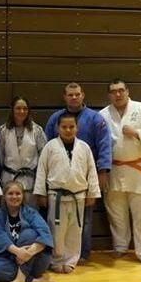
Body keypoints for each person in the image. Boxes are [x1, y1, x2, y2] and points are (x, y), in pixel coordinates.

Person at [45, 82, 111, 263]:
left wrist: (103, 171)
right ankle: (59, 257)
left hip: (85, 177)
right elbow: (49, 150)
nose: (74, 97)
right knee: (58, 224)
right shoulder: (55, 119)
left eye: (77, 94)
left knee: (84, 221)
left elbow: (105, 145)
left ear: (82, 95)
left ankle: (81, 254)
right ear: (64, 97)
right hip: (58, 181)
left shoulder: (95, 118)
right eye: (70, 95)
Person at [100, 79, 141, 268]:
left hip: (138, 169)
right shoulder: (102, 115)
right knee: (116, 212)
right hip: (114, 169)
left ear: (127, 91)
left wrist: (136, 133)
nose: (117, 94)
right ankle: (120, 246)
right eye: (113, 91)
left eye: (121, 90)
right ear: (109, 95)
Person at [34, 113, 101, 273]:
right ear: (58, 128)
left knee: (75, 230)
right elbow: (42, 171)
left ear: (77, 128)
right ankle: (56, 260)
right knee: (56, 230)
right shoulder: (50, 146)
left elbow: (91, 171)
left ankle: (71, 260)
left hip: (78, 195)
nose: (68, 130)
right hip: (56, 196)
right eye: (64, 127)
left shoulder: (84, 147)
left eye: (71, 127)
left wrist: (92, 192)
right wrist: (40, 193)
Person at [0, 181, 56, 282]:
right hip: (10, 259)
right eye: (10, 193)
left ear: (23, 196)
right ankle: (32, 281)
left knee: (29, 234)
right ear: (4, 196)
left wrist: (30, 252)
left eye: (18, 193)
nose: (14, 196)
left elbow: (45, 232)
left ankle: (20, 280)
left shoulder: (31, 213)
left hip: (34, 260)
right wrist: (18, 252)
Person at [0, 96, 47, 208]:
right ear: (12, 110)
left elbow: (43, 158)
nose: (22, 111)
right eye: (18, 108)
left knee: (29, 214)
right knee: (8, 213)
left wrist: (40, 185)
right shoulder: (3, 130)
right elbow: (0, 156)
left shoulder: (37, 130)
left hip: (29, 180)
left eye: (25, 108)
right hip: (9, 178)